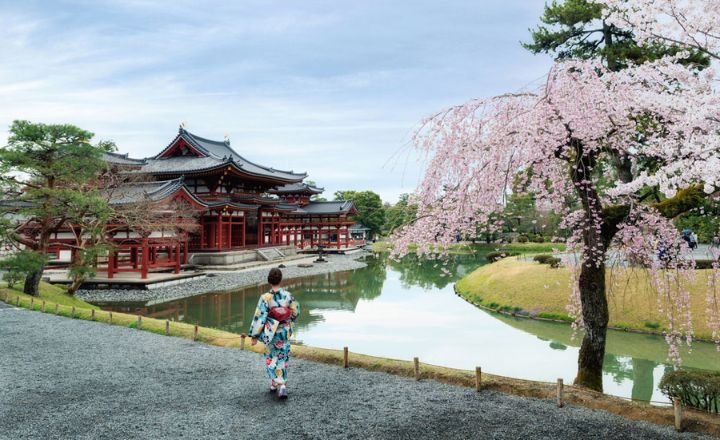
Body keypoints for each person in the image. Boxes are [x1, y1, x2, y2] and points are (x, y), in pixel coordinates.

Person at [248, 268, 300, 399]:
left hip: (270, 332)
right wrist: (288, 318)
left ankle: (278, 384)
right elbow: (295, 312)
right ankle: (278, 383)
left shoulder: (265, 297)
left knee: (271, 357)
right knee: (282, 357)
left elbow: (259, 317)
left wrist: (254, 335)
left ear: (269, 281)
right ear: (280, 280)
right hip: (284, 332)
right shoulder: (288, 296)